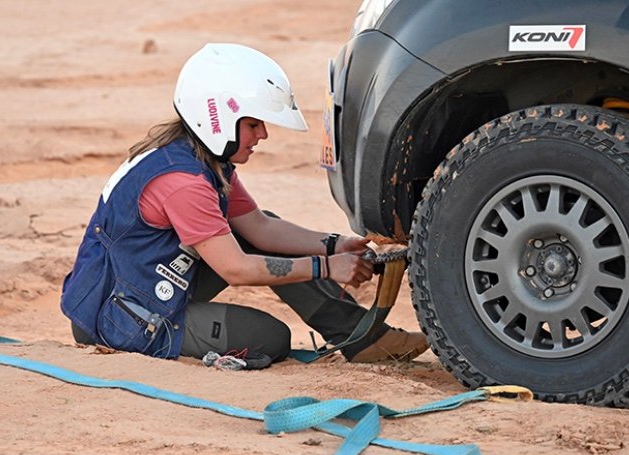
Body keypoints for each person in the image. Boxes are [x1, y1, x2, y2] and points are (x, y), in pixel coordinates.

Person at [60, 43, 429, 369]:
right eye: (253, 124)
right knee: (271, 338)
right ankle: (360, 337)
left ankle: (362, 338)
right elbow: (235, 268)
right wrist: (326, 267)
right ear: (218, 119)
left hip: (146, 285)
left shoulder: (199, 158)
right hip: (122, 317)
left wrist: (335, 245)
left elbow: (260, 228)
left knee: (257, 231)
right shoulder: (184, 182)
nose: (262, 135)